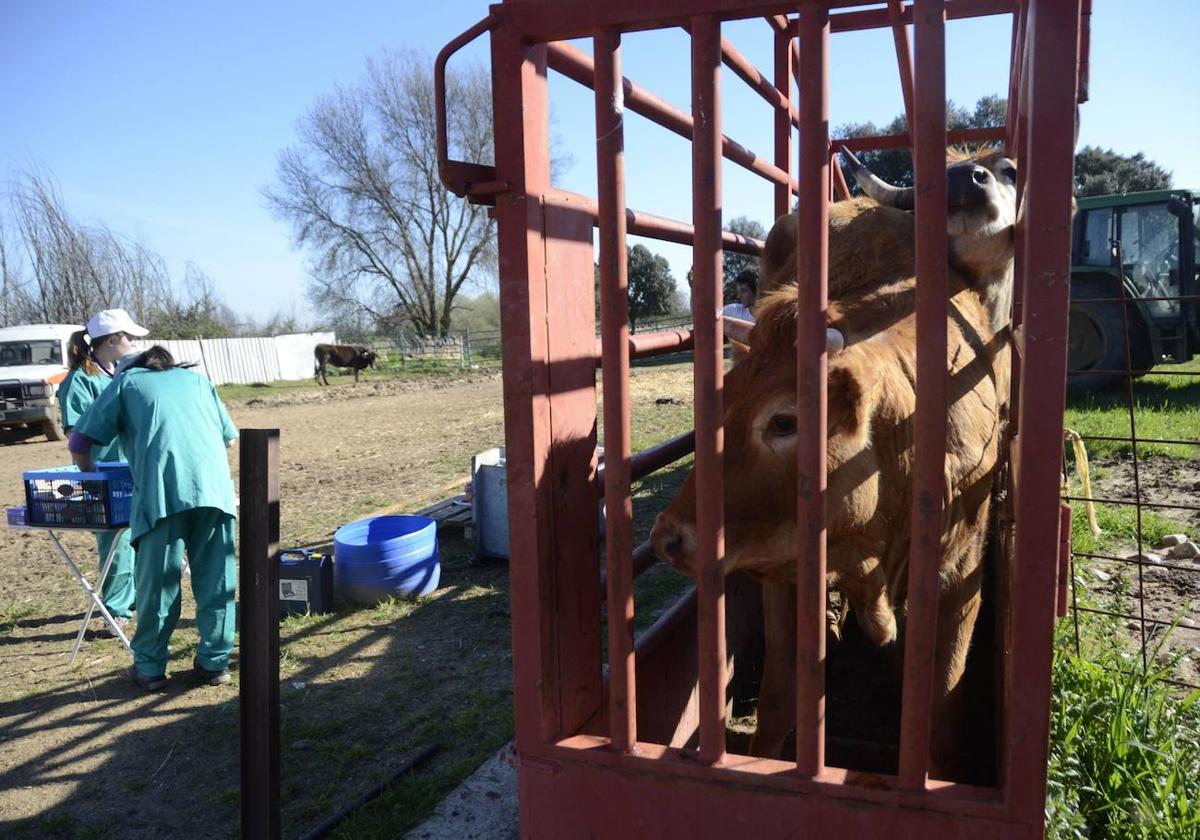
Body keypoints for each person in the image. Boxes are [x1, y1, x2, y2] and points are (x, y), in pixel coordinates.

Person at [69, 346, 239, 692]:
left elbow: (80, 440)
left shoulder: (126, 384)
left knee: (159, 584)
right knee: (217, 581)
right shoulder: (197, 380)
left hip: (161, 495)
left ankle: (150, 668)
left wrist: (91, 479)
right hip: (214, 492)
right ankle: (214, 663)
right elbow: (229, 439)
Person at [58, 309, 149, 636]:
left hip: (133, 469)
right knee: (115, 544)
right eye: (130, 337)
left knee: (137, 537)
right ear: (113, 340)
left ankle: (138, 599)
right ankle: (116, 609)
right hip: (102, 474)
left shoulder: (124, 374)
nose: (135, 343)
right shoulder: (79, 381)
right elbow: (76, 433)